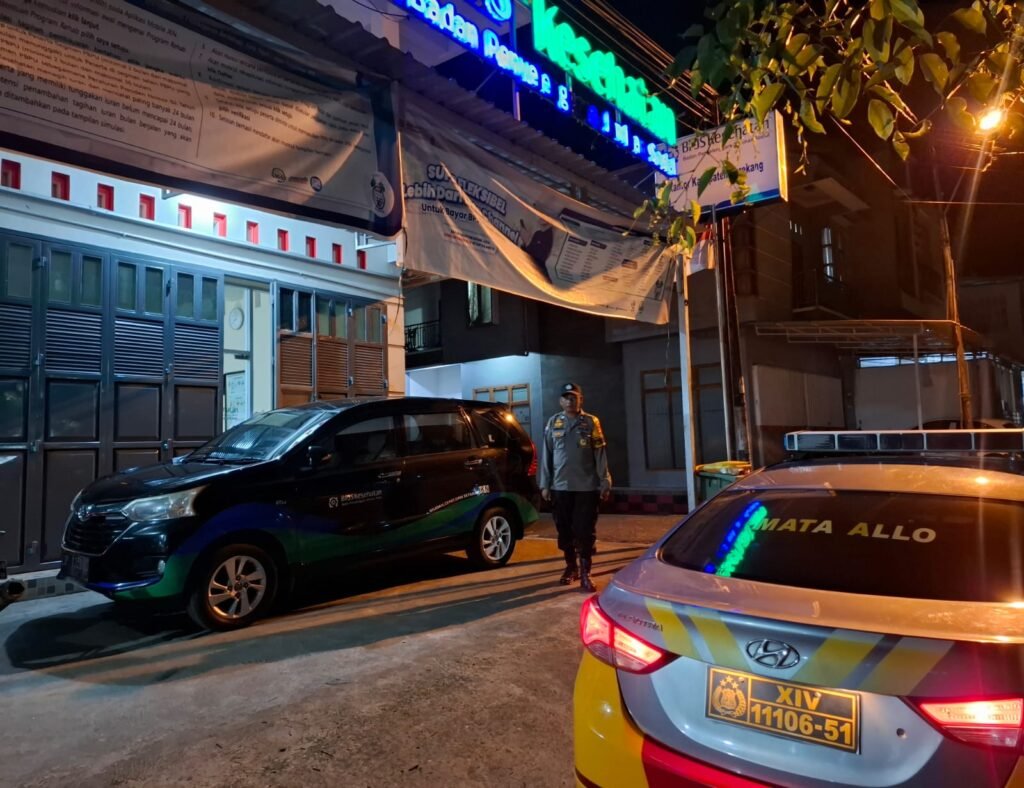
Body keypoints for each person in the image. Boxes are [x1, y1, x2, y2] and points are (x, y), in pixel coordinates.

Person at [538, 383, 612, 592]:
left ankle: (586, 573)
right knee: (564, 531)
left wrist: (605, 480)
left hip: (586, 488)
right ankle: (571, 567)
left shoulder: (590, 422)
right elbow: (547, 454)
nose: (570, 401)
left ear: (581, 400)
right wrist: (545, 484)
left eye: (574, 397)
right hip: (560, 487)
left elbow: (600, 453)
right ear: (560, 401)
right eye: (566, 397)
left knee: (585, 531)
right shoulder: (554, 422)